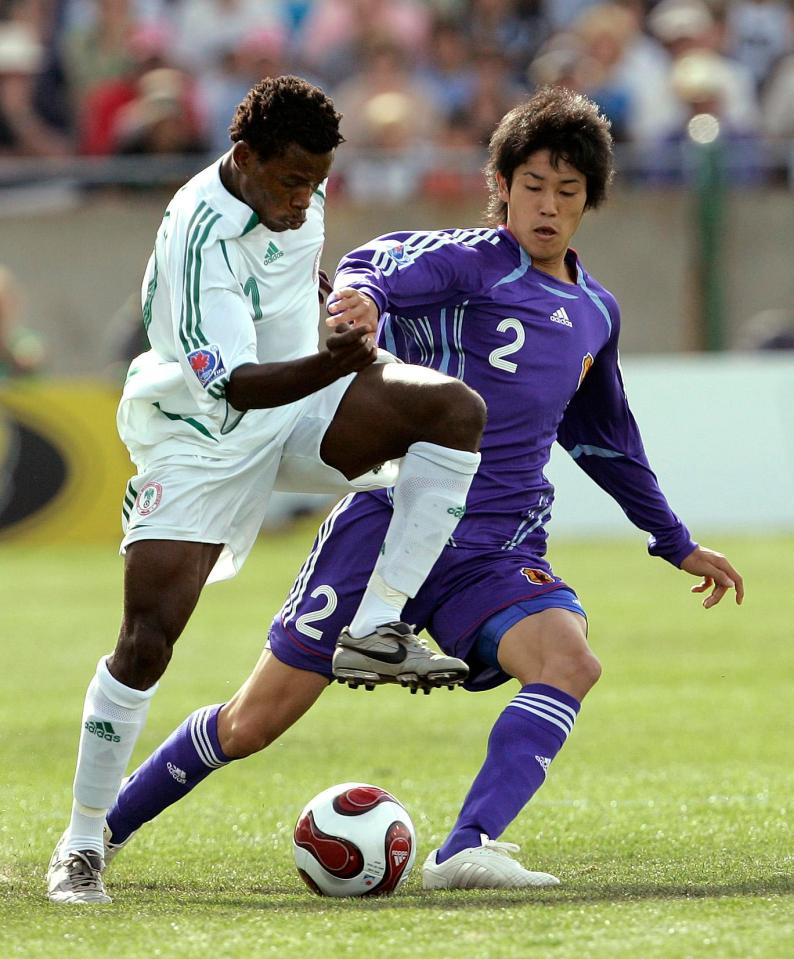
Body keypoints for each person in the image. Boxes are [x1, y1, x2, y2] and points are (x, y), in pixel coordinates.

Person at [97, 86, 743, 896]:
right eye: (533, 185)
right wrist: (360, 301)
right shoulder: (468, 260)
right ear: (501, 185)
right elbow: (376, 266)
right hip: (390, 521)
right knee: (252, 722)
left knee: (569, 659)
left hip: (496, 548)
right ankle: (101, 831)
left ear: (590, 202)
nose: (548, 205)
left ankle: (469, 845)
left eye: (568, 191)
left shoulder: (594, 312)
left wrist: (675, 540)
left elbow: (606, 440)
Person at [46, 74, 487, 905]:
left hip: (303, 402)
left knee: (453, 413)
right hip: (202, 437)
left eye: (317, 183)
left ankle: (378, 623)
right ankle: (80, 843)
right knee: (146, 641)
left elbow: (298, 274)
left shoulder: (295, 186)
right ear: (243, 158)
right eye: (291, 182)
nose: (304, 199)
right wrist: (337, 361)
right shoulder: (200, 235)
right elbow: (236, 385)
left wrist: (335, 315)